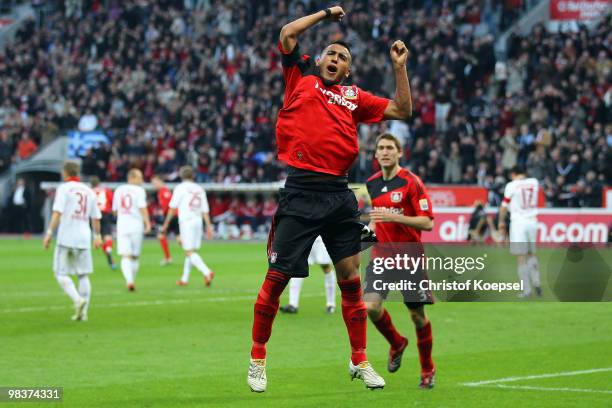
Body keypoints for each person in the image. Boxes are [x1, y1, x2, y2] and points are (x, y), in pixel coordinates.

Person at [247, 5, 412, 392]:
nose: (336, 59)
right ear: (319, 59)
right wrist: (323, 15)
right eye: (332, 54)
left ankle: (359, 360)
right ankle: (257, 359)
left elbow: (402, 110)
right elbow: (287, 33)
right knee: (276, 278)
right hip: (301, 191)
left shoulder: (354, 97)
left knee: (350, 280)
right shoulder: (300, 74)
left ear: (348, 70)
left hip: (339, 194)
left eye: (343, 57)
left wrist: (399, 66)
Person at [364, 133, 436, 389]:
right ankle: (396, 342)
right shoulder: (371, 183)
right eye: (380, 148)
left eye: (390, 148)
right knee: (370, 307)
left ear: (399, 152)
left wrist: (395, 218)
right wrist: (367, 232)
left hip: (409, 258)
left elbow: (427, 222)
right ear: (375, 154)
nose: (385, 152)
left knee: (417, 316)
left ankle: (427, 369)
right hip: (381, 257)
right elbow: (376, 219)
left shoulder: (411, 182)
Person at [43, 161, 102, 321]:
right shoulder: (89, 191)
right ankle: (83, 314)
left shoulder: (63, 189)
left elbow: (57, 212)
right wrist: (97, 236)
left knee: (60, 273)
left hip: (67, 236)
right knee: (83, 275)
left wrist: (49, 233)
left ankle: (77, 300)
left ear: (65, 172)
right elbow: (96, 217)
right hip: (84, 237)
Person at [161, 166, 214, 286]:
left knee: (188, 251)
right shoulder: (199, 188)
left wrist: (166, 223)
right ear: (192, 176)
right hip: (197, 221)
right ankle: (184, 279)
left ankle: (207, 271)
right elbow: (204, 210)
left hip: (186, 221)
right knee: (190, 251)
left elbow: (173, 207)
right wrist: (209, 226)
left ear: (181, 176)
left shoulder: (180, 188)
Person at [498, 165, 541, 297]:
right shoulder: (534, 182)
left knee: (521, 257)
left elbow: (504, 206)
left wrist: (500, 222)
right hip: (533, 221)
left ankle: (526, 290)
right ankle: (537, 282)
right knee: (532, 254)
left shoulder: (511, 185)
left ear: (513, 174)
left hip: (519, 223)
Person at [112, 169, 151, 291]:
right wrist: (147, 223)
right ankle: (131, 280)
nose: (142, 180)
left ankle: (129, 281)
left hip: (122, 224)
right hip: (136, 225)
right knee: (134, 256)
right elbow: (142, 208)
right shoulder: (139, 191)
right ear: (132, 178)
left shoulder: (119, 190)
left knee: (125, 256)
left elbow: (114, 210)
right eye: (140, 177)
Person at [279, 236, 337, 314]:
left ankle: (331, 304)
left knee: (326, 266)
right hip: (305, 237)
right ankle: (293, 304)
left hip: (320, 237)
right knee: (298, 267)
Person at [90, 176, 116, 269]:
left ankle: (107, 253)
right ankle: (109, 249)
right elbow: (113, 202)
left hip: (93, 215)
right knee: (107, 235)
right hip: (105, 214)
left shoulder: (89, 191)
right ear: (99, 183)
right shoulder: (106, 190)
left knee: (99, 236)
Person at [152, 174, 178, 265]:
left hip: (172, 216)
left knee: (162, 235)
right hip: (171, 216)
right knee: (163, 236)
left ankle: (168, 258)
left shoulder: (164, 191)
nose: (153, 185)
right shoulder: (161, 192)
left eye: (155, 183)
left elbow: (171, 206)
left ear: (160, 182)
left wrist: (166, 221)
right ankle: (168, 258)